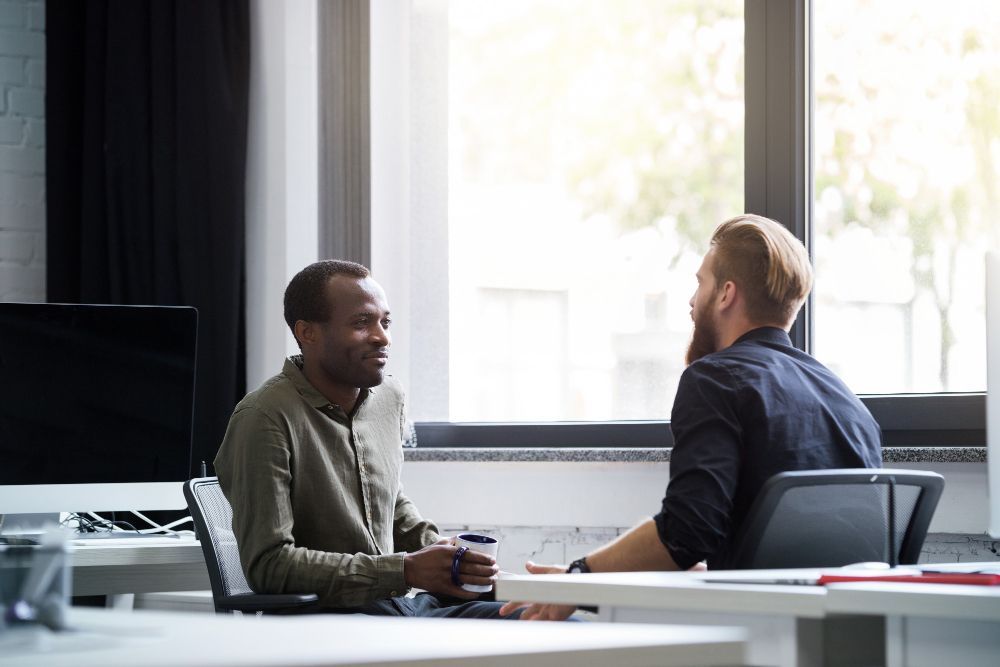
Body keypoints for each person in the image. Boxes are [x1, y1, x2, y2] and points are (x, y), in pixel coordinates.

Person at [500, 214, 882, 621]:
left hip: (753, 634)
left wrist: (579, 577)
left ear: (726, 294)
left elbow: (687, 532)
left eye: (700, 282)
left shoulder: (716, 379)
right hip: (842, 633)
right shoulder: (846, 400)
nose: (690, 300)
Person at [215, 260, 517, 618]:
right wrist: (405, 570)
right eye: (362, 323)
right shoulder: (264, 417)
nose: (382, 337)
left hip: (397, 606)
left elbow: (390, 506)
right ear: (307, 332)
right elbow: (270, 566)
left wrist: (446, 556)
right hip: (336, 621)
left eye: (384, 322)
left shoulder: (389, 397)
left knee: (539, 614)